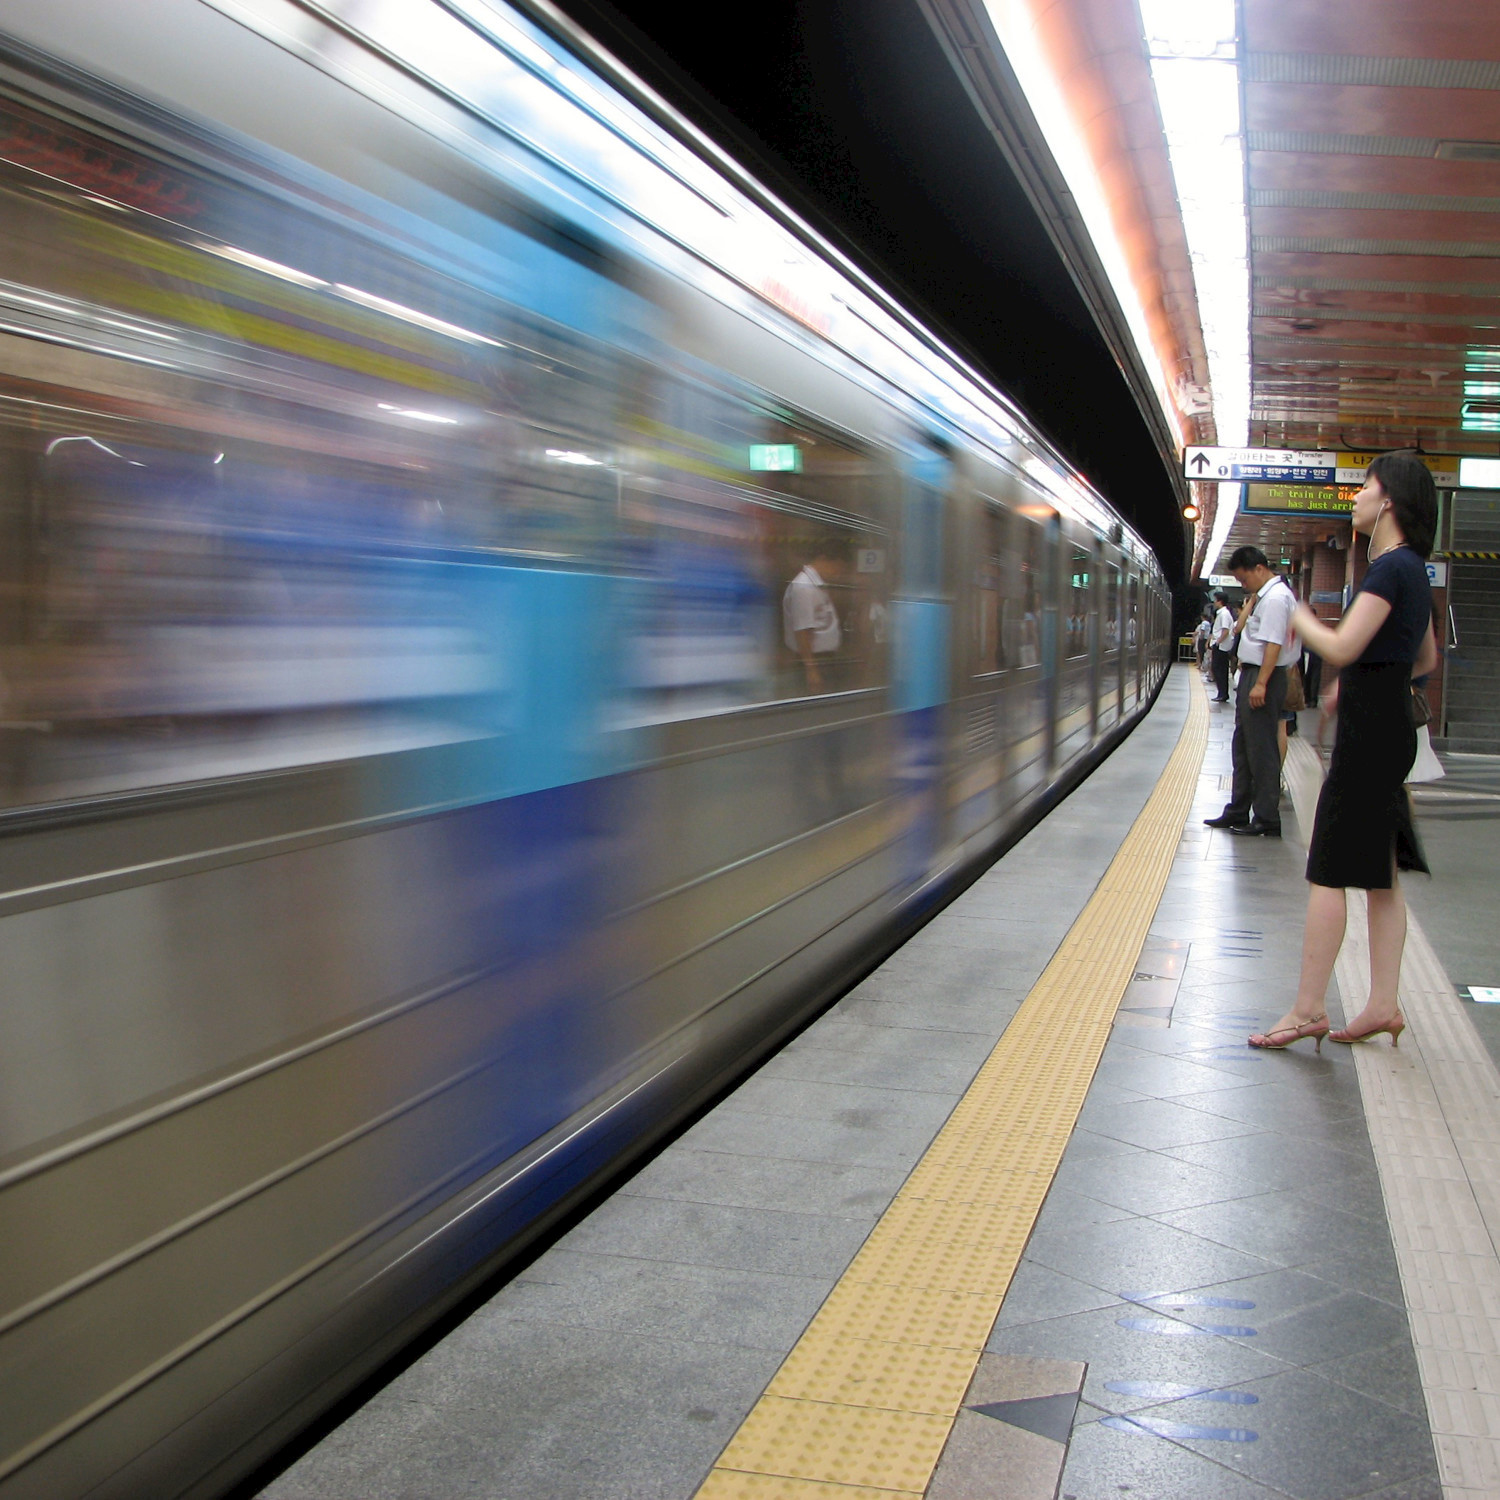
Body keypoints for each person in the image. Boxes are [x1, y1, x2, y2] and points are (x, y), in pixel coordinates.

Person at [1248, 452, 1438, 1051]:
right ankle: (1382, 1003)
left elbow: (1342, 645)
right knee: (1380, 876)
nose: (1354, 497)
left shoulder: (1387, 572)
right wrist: (1368, 684)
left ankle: (1307, 1009)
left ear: (1388, 503)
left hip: (1366, 741)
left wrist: (1296, 613)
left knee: (1328, 870)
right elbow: (1426, 659)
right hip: (1390, 734)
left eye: (1365, 488)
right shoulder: (1413, 569)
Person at [1205, 548, 1297, 836]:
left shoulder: (1277, 599)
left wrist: (1260, 683)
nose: (1242, 585)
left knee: (1261, 749)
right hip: (1253, 673)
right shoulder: (1265, 596)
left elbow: (1273, 644)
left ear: (1258, 569)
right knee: (1243, 745)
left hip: (1263, 675)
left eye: (1244, 579)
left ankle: (1266, 818)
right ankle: (1238, 810)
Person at [783, 540, 848, 694]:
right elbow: (802, 631)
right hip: (816, 661)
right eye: (836, 567)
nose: (837, 573)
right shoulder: (804, 586)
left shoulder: (816, 584)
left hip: (824, 659)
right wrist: (812, 671)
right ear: (824, 559)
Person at [1208, 591, 1235, 702]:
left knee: (1219, 670)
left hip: (1221, 647)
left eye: (1215, 600)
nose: (1214, 602)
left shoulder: (1224, 614)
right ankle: (1222, 693)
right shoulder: (1223, 613)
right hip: (1221, 646)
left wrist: (1217, 642)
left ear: (1220, 601)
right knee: (1219, 670)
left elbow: (1225, 630)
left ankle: (1222, 694)